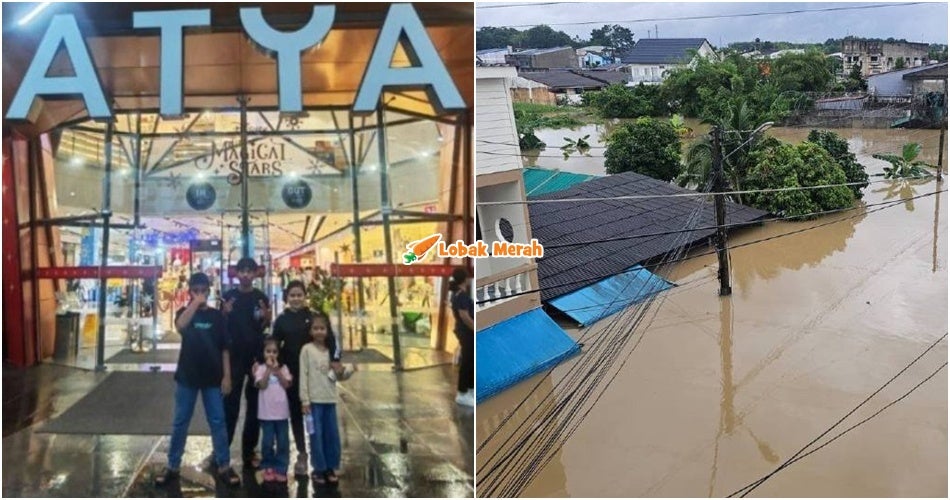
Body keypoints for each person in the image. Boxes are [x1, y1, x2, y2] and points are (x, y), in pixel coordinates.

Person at [155, 272, 240, 488]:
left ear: (209, 291)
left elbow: (225, 348)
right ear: (190, 292)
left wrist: (227, 376)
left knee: (218, 421)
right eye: (196, 290)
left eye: (203, 290)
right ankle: (173, 465)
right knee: (180, 421)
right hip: (187, 376)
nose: (200, 294)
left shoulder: (217, 317)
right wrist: (194, 304)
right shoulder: (185, 312)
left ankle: (223, 465)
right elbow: (180, 326)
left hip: (213, 378)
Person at [273, 280, 341, 477]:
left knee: (318, 418)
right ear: (287, 297)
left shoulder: (313, 317)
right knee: (296, 414)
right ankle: (302, 453)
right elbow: (275, 344)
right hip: (293, 374)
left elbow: (330, 339)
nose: (296, 299)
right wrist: (274, 366)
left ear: (305, 296)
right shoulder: (281, 320)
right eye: (292, 295)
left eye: (299, 295)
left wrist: (335, 359)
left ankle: (323, 459)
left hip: (316, 376)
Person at [221, 257, 272, 469]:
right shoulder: (228, 296)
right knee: (229, 405)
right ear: (236, 273)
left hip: (255, 358)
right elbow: (221, 325)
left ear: (255, 273)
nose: (245, 275)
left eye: (249, 271)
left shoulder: (261, 297)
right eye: (241, 271)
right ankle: (222, 449)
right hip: (233, 358)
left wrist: (267, 317)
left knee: (254, 405)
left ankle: (249, 451)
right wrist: (224, 313)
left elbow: (265, 324)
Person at [299, 310, 353, 486]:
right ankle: (319, 468)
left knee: (332, 436)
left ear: (327, 331)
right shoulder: (306, 350)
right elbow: (303, 375)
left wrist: (348, 370)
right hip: (313, 402)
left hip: (330, 400)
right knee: (316, 436)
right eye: (315, 328)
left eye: (322, 328)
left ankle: (331, 467)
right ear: (310, 331)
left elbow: (338, 376)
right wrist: (305, 400)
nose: (319, 331)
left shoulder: (331, 353)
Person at [254, 336, 293, 483]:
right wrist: (268, 370)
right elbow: (262, 385)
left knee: (283, 441)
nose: (271, 354)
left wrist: (277, 371)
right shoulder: (260, 369)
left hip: (281, 413)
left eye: (274, 352)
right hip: (266, 413)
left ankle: (281, 467)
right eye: (268, 351)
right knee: (267, 441)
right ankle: (268, 466)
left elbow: (286, 385)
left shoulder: (283, 368)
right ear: (263, 353)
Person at [449, 267, 475, 407]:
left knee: (471, 361)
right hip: (466, 332)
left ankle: (470, 389)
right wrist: (475, 328)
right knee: (467, 362)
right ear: (465, 279)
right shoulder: (461, 296)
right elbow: (464, 316)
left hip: (466, 331)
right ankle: (462, 393)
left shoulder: (457, 294)